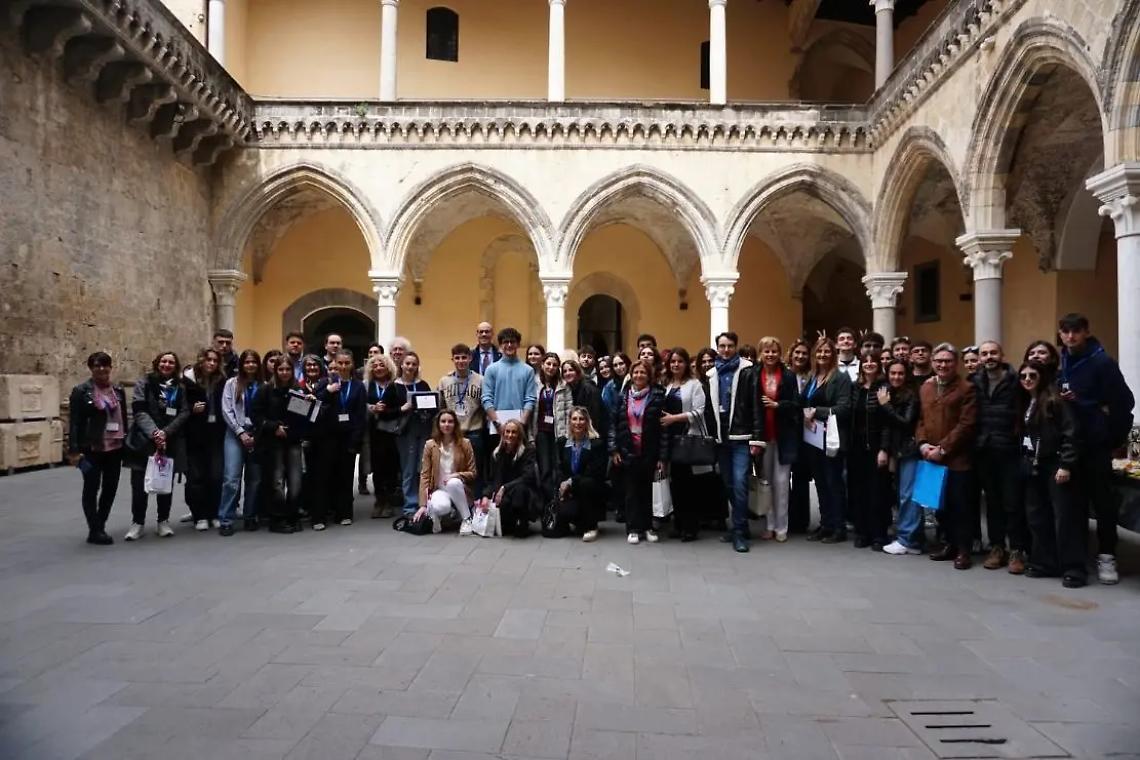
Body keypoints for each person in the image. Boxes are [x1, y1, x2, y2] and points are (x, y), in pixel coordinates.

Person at [1058, 313, 1135, 585]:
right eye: (1066, 331)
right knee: (1073, 505)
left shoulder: (1102, 362)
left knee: (1103, 504)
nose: (1070, 336)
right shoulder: (1061, 361)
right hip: (1068, 446)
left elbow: (1125, 402)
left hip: (1095, 446)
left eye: (1076, 331)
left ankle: (1107, 556)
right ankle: (1076, 559)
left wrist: (1111, 437)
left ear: (1086, 332)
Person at [1017, 362, 1085, 587]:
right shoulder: (1026, 401)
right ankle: (1045, 562)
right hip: (1033, 465)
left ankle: (1073, 568)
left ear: (1042, 376)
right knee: (1037, 516)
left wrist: (1066, 464)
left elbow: (1071, 433)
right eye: (1023, 376)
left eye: (1032, 375)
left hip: (1055, 464)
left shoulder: (1055, 401)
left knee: (1064, 517)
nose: (1027, 379)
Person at [916, 343, 978, 570]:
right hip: (931, 457)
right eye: (939, 361)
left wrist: (942, 449)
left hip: (957, 459)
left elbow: (966, 425)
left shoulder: (967, 388)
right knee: (940, 506)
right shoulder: (926, 387)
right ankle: (949, 544)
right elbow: (920, 419)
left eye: (948, 361)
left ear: (956, 363)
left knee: (960, 506)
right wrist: (922, 444)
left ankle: (963, 550)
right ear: (933, 363)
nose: (943, 365)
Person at [703, 332, 764, 553]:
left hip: (741, 437)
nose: (726, 350)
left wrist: (757, 438)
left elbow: (756, 405)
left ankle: (738, 532)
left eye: (730, 346)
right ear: (717, 348)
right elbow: (708, 409)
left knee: (740, 484)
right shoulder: (711, 373)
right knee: (728, 484)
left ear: (735, 347)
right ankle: (741, 525)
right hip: (721, 438)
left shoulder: (748, 370)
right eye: (722, 346)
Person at [971, 341, 1027, 573]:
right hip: (984, 450)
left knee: (1013, 502)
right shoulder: (974, 381)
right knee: (993, 502)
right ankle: (997, 547)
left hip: (1010, 449)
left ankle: (1017, 549)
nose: (989, 357)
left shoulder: (1016, 381)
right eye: (984, 354)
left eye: (993, 353)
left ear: (1002, 355)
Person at [124, 351, 191, 541]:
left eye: (171, 362)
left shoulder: (180, 387)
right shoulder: (144, 383)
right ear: (157, 363)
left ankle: (163, 521)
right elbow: (139, 410)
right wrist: (155, 433)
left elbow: (184, 412)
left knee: (165, 482)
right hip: (143, 441)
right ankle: (137, 523)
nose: (166, 365)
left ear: (175, 366)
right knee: (138, 484)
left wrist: (166, 433)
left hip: (169, 441)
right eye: (163, 361)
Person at [67, 351, 127, 545]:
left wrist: (126, 442)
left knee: (110, 488)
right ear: (91, 368)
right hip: (91, 447)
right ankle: (95, 529)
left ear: (110, 367)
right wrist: (74, 449)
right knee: (91, 487)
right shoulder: (81, 391)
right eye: (97, 365)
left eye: (105, 365)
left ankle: (100, 524)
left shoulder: (118, 390)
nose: (101, 369)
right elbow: (75, 422)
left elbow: (124, 418)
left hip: (115, 447)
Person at [613, 359, 670, 544]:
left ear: (649, 375)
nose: (639, 375)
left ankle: (647, 527)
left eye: (643, 372)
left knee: (647, 491)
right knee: (631, 492)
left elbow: (663, 429)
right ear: (631, 375)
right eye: (636, 372)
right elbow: (614, 424)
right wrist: (614, 449)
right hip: (628, 449)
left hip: (649, 450)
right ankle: (633, 529)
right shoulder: (623, 397)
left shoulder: (657, 397)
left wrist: (662, 457)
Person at [801, 337, 852, 544]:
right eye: (819, 351)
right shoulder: (813, 377)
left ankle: (839, 527)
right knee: (821, 483)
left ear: (834, 354)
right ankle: (826, 524)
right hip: (813, 438)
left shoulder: (840, 378)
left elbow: (844, 408)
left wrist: (817, 411)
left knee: (833, 483)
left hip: (831, 439)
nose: (823, 355)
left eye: (827, 351)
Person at [753, 338, 800, 543]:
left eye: (774, 351)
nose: (770, 355)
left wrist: (777, 405)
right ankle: (769, 525)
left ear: (780, 353)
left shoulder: (788, 375)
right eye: (766, 351)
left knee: (781, 483)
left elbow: (796, 404)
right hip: (763, 436)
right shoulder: (754, 374)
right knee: (766, 482)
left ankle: (782, 526)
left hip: (783, 435)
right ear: (761, 353)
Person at [252, 357, 306, 534]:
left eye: (287, 369)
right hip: (273, 442)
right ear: (275, 371)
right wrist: (274, 427)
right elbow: (256, 415)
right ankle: (277, 519)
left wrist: (308, 403)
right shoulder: (266, 389)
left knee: (295, 481)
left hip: (293, 441)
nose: (284, 373)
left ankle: (292, 516)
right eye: (281, 369)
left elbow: (302, 416)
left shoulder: (298, 389)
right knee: (276, 481)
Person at [315, 350, 368, 526]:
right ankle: (320, 516)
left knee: (345, 476)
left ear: (352, 364)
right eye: (340, 363)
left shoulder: (358, 386)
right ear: (334, 364)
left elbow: (360, 415)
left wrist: (355, 440)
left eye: (347, 363)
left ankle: (344, 513)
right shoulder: (325, 382)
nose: (343, 366)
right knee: (324, 476)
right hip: (327, 436)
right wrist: (327, 391)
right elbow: (314, 404)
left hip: (348, 437)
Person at [661, 347, 708, 542]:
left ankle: (690, 527)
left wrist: (674, 419)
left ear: (686, 364)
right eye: (673, 361)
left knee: (688, 485)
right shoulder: (666, 384)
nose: (676, 364)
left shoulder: (695, 384)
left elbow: (699, 411)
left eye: (680, 361)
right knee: (675, 483)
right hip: (669, 440)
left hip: (687, 439)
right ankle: (678, 523)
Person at [878, 359, 923, 555]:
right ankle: (913, 538)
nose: (896, 377)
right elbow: (887, 426)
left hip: (909, 449)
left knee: (908, 495)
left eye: (900, 373)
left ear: (907, 375)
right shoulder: (889, 392)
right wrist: (885, 450)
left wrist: (886, 406)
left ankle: (908, 540)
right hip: (897, 450)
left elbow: (905, 422)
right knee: (903, 494)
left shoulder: (911, 395)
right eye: (893, 373)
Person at [219, 349, 263, 536]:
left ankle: (250, 516)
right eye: (247, 362)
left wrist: (256, 435)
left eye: (254, 362)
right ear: (242, 365)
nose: (250, 365)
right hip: (234, 435)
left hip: (256, 435)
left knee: (254, 479)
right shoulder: (232, 383)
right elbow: (226, 410)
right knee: (231, 479)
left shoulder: (263, 385)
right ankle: (226, 519)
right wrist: (240, 432)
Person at [849, 353, 890, 550]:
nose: (869, 364)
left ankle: (879, 534)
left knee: (878, 492)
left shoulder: (884, 388)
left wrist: (884, 448)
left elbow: (887, 423)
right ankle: (862, 532)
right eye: (865, 362)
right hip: (856, 446)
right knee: (859, 491)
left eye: (873, 361)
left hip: (876, 445)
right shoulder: (855, 388)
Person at [386, 351, 433, 516]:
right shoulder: (394, 386)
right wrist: (401, 409)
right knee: (409, 469)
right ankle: (410, 506)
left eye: (414, 364)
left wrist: (428, 410)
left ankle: (424, 504)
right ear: (401, 365)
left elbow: (432, 406)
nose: (410, 367)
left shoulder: (423, 385)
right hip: (405, 433)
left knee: (423, 468)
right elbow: (385, 412)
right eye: (407, 363)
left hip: (424, 429)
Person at [548, 407, 607, 541]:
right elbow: (558, 468)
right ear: (569, 422)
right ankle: (573, 520)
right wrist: (562, 483)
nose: (578, 422)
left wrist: (570, 482)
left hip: (590, 488)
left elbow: (594, 472)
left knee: (586, 484)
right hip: (569, 489)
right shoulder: (562, 442)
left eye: (581, 419)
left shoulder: (596, 444)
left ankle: (591, 526)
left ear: (587, 422)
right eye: (574, 419)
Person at [414, 409, 477, 534]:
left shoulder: (465, 443)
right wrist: (423, 505)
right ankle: (438, 512)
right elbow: (425, 475)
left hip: (459, 487)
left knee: (453, 482)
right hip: (439, 489)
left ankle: (467, 518)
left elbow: (473, 473)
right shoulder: (430, 445)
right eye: (443, 421)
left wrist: (456, 475)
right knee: (441, 507)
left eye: (450, 421)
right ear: (438, 424)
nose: (446, 425)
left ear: (455, 424)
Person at [183, 348, 225, 532]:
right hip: (195, 436)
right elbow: (180, 406)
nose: (212, 363)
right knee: (196, 477)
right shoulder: (188, 381)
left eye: (215, 361)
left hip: (216, 435)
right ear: (201, 360)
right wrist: (192, 409)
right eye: (209, 360)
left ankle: (214, 513)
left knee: (216, 476)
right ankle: (199, 515)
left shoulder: (221, 381)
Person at [439, 343, 486, 500]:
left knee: (475, 470)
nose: (461, 361)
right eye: (457, 358)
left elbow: (486, 405)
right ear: (452, 359)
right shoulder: (444, 381)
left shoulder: (480, 380)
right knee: (453, 470)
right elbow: (441, 407)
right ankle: (456, 504)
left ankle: (475, 504)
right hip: (452, 434)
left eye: (464, 357)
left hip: (474, 432)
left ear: (470, 358)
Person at [479, 418, 541, 538]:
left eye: (514, 432)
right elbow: (492, 479)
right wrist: (485, 496)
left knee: (520, 490)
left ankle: (522, 522)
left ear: (519, 435)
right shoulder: (497, 453)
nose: (510, 435)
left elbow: (527, 477)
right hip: (503, 495)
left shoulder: (528, 450)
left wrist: (504, 487)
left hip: (523, 492)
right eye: (507, 432)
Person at [481, 327, 537, 444]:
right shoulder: (491, 369)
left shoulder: (528, 370)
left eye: (513, 342)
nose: (509, 345)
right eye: (506, 342)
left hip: (520, 428)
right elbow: (486, 398)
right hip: (496, 429)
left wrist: (521, 424)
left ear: (518, 344)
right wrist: (497, 423)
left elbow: (530, 399)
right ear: (501, 345)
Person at [365, 353, 401, 518]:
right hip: (374, 432)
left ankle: (389, 502)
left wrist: (386, 411)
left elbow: (401, 406)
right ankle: (379, 500)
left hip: (392, 431)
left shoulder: (396, 385)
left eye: (382, 365)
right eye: (375, 366)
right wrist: (372, 408)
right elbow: (362, 404)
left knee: (391, 467)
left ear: (388, 367)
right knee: (377, 467)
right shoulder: (368, 385)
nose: (378, 368)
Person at [533, 352, 571, 500]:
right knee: (545, 469)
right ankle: (547, 502)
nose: (551, 367)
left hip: (559, 433)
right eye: (548, 364)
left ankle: (559, 501)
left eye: (555, 365)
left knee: (558, 468)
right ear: (542, 365)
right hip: (541, 432)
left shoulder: (564, 385)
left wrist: (567, 434)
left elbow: (569, 410)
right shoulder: (535, 384)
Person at [785, 338, 813, 535]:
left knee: (801, 477)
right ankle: (784, 517)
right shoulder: (784, 374)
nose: (801, 356)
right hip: (786, 431)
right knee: (783, 477)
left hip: (807, 432)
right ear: (791, 354)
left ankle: (800, 521)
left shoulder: (812, 377)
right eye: (797, 352)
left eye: (804, 353)